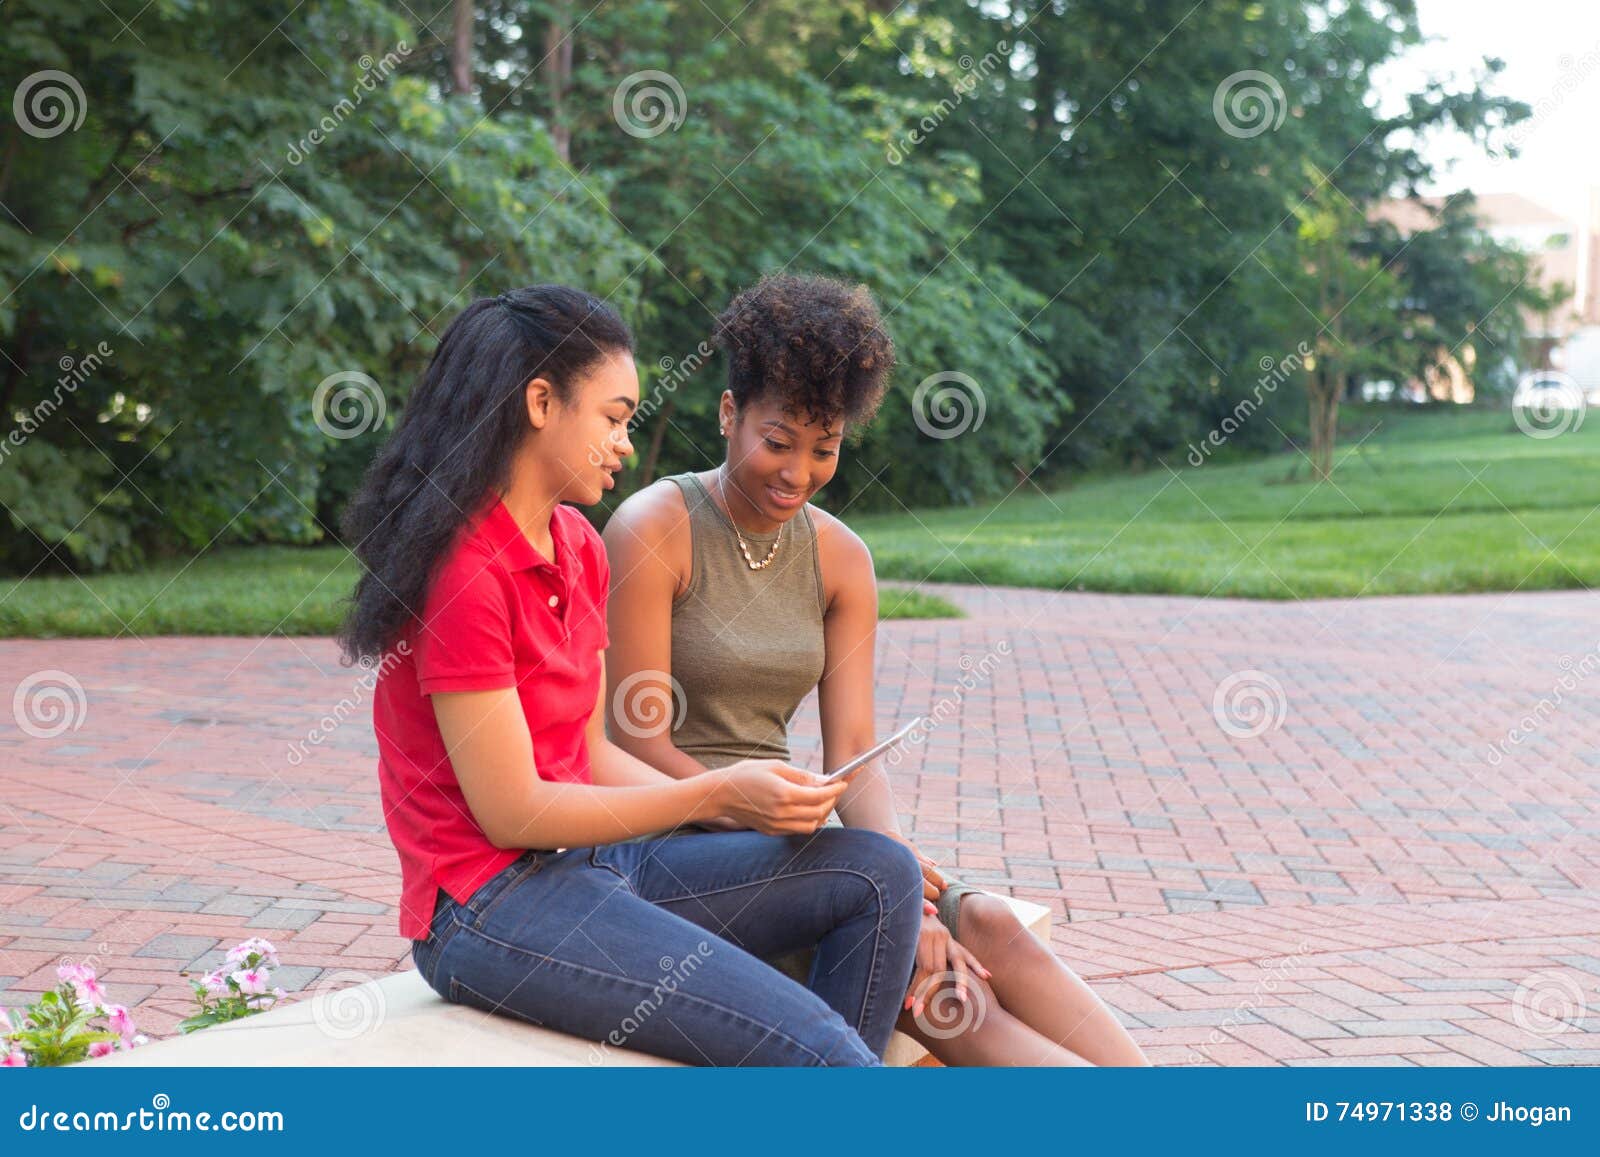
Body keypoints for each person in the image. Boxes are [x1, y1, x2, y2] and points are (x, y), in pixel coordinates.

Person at [340, 285, 924, 1066]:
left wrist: (759, 812)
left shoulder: (576, 544)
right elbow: (513, 812)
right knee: (816, 1044)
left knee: (878, 872)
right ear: (541, 402)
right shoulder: (465, 571)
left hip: (598, 864)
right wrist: (719, 791)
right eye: (613, 417)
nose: (624, 440)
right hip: (488, 907)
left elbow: (590, 753)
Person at [603, 273, 1149, 1066]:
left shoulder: (841, 560)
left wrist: (913, 902)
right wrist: (780, 823)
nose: (797, 471)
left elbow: (854, 751)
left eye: (823, 448)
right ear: (728, 414)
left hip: (792, 838)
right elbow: (630, 741)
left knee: (983, 927)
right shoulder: (655, 528)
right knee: (942, 996)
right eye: (778, 441)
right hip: (675, 845)